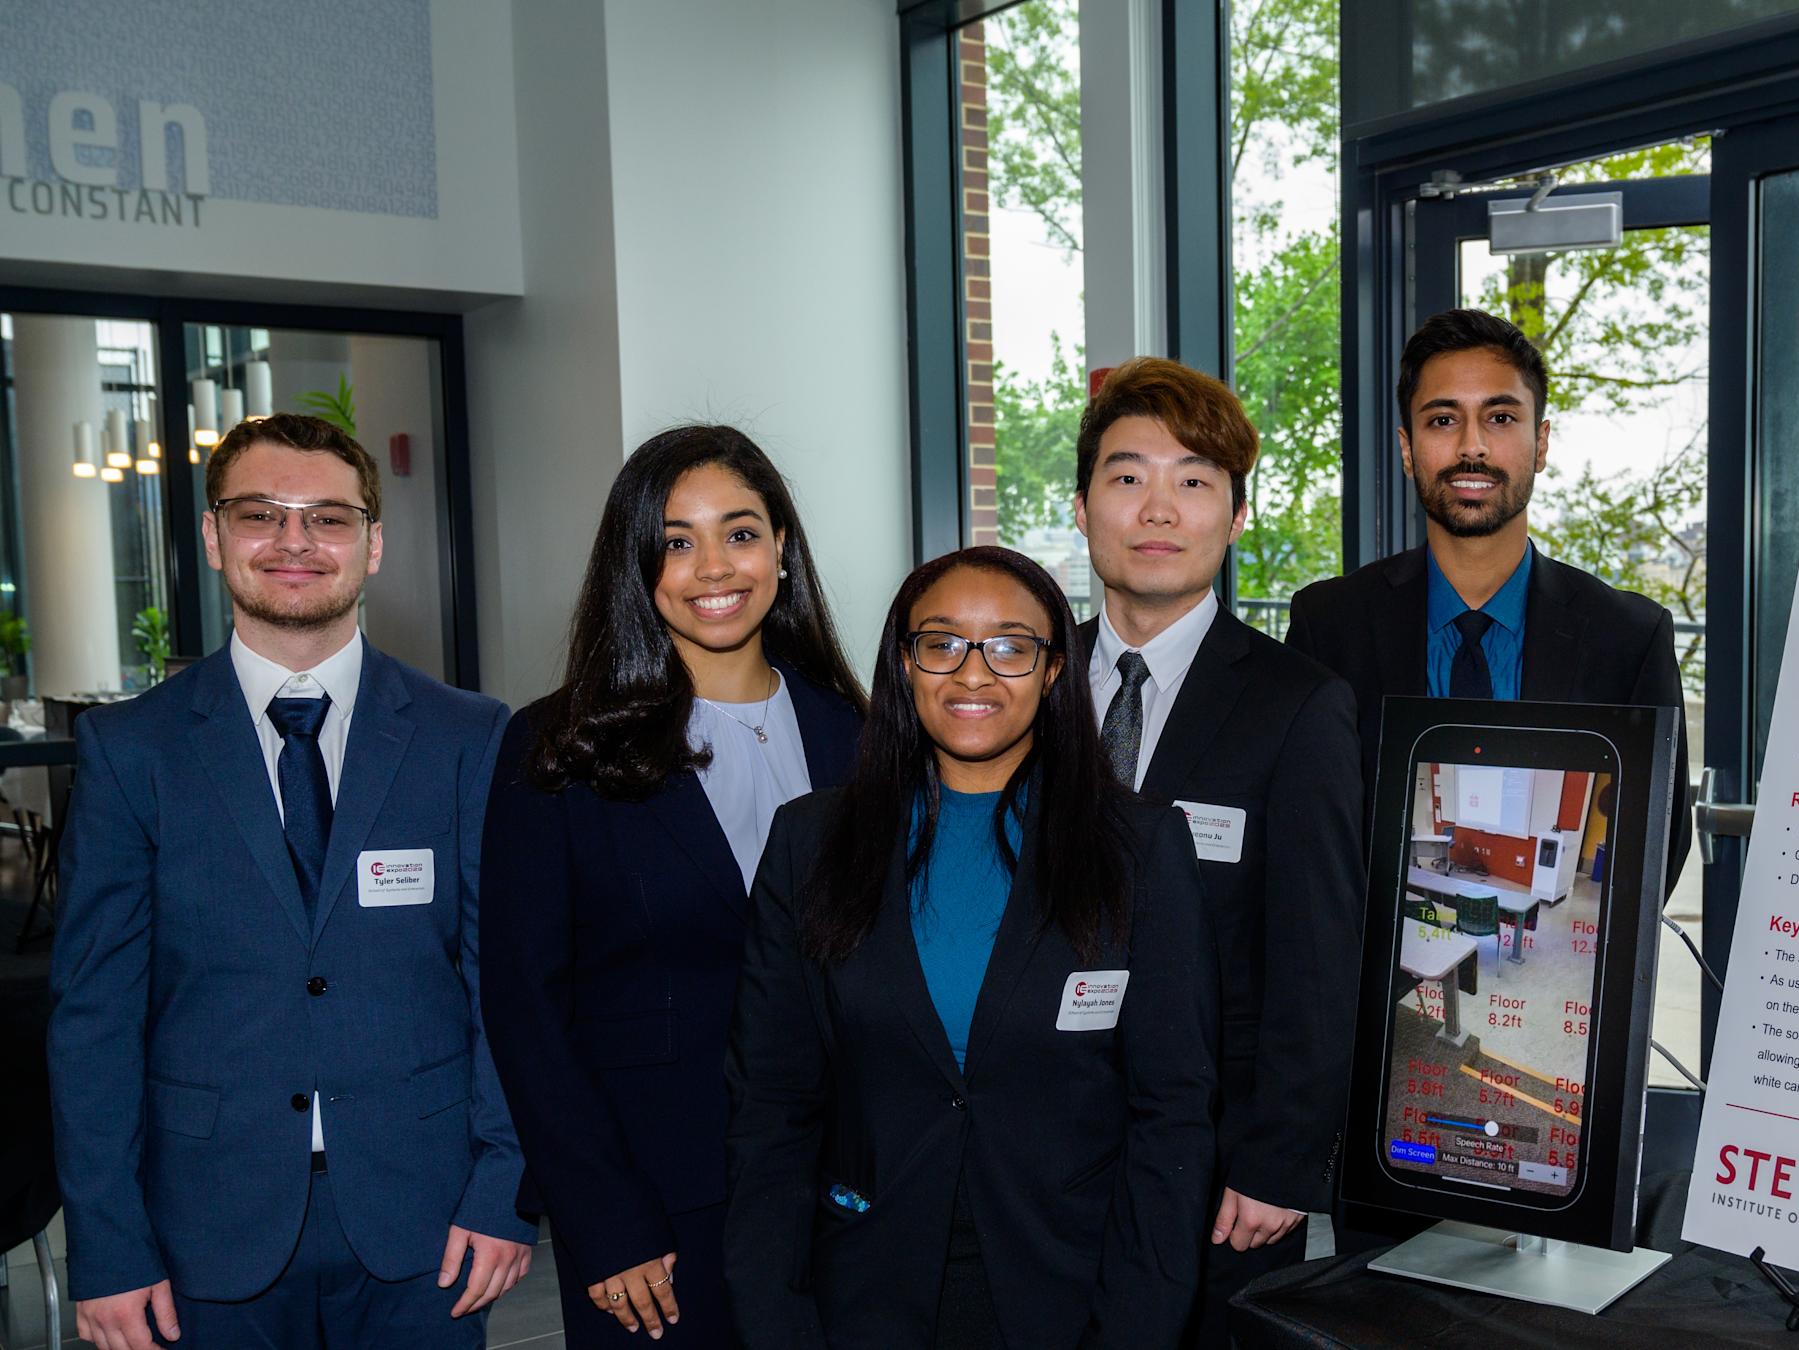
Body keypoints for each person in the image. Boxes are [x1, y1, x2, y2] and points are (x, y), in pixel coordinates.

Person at [49, 412, 533, 1350]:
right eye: (262, 513)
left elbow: (502, 987)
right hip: (201, 1226)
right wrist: (108, 1246)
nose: (295, 543)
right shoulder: (129, 750)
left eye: (329, 518)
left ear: (374, 543)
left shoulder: (468, 737)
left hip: (425, 1222)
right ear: (212, 535)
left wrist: (502, 1186)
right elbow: (94, 1017)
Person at [724, 546, 1218, 1348]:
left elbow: (1173, 1115)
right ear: (905, 663)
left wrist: (1139, 1324)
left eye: (1011, 646)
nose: (974, 674)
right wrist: (774, 1318)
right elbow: (771, 1106)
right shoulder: (810, 843)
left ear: (1055, 670)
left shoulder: (1140, 846)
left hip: (1071, 1288)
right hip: (861, 1287)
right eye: (942, 643)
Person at [479, 425, 865, 1345]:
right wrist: (602, 1222)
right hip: (652, 1214)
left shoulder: (860, 734)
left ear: (782, 548)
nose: (712, 567)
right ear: (636, 561)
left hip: (844, 1198)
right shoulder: (558, 747)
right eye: (676, 540)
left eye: (740, 532)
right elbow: (525, 1007)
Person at [1070, 357, 1364, 1345]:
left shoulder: (1298, 706)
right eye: (1127, 477)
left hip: (1219, 1167)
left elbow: (1320, 955)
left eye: (1193, 480)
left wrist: (1279, 1162)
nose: (1158, 508)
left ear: (1235, 518)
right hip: (1028, 1151)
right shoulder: (1022, 686)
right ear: (1081, 508)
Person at [1286, 307, 1694, 889]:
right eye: (1443, 420)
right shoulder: (1328, 625)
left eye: (1500, 417)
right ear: (1408, 450)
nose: (1472, 447)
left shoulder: (1629, 637)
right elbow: (1305, 838)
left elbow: (1657, 847)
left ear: (1541, 442)